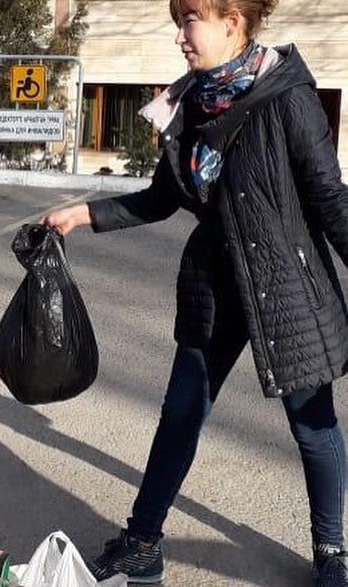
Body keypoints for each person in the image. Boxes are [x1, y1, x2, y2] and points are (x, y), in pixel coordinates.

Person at [45, 0, 348, 585]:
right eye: (179, 21)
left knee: (311, 424)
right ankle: (142, 541)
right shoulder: (188, 102)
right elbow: (161, 199)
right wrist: (84, 213)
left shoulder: (288, 97)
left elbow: (331, 201)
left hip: (286, 289)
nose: (180, 36)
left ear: (232, 22)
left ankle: (332, 552)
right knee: (180, 416)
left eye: (190, 21)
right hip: (215, 285)